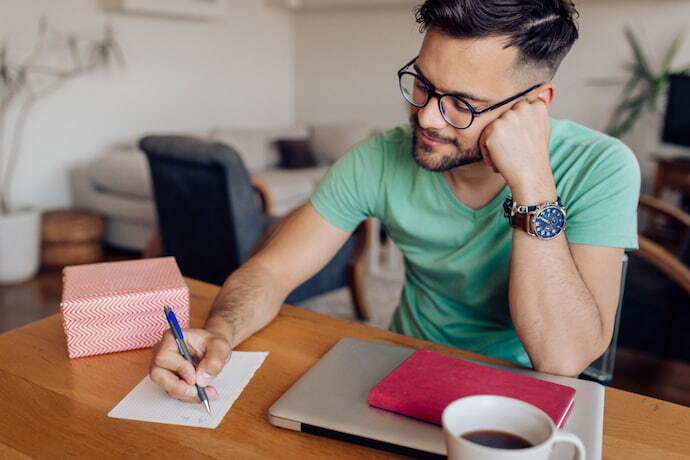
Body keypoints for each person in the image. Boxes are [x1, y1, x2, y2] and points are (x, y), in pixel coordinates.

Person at [149, 0, 640, 404]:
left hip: (525, 392)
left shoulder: (603, 167)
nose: (426, 117)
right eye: (423, 83)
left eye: (462, 105)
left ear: (533, 105)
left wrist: (533, 184)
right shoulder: (377, 158)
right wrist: (220, 330)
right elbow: (272, 271)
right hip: (405, 366)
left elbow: (562, 359)